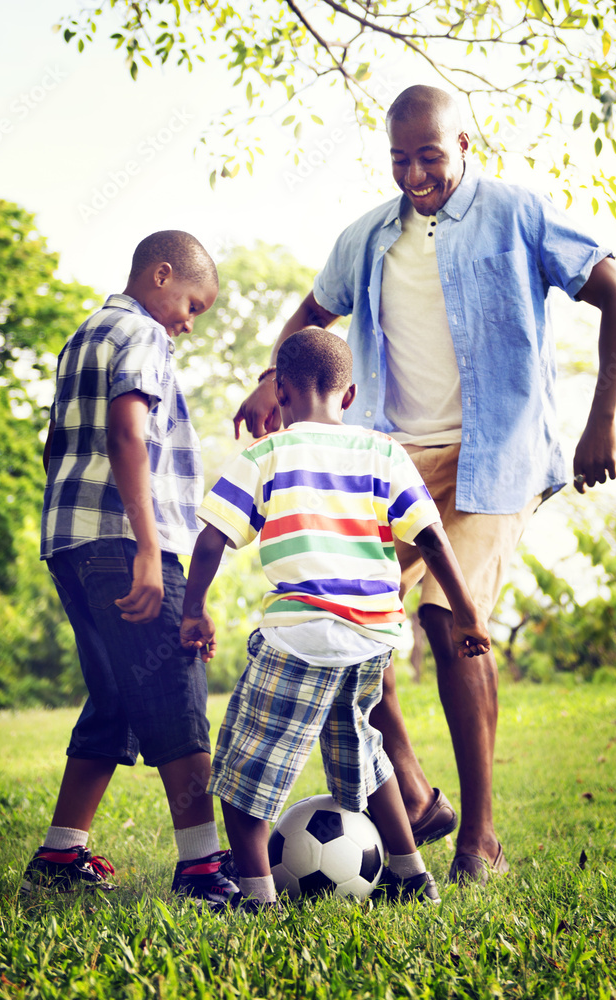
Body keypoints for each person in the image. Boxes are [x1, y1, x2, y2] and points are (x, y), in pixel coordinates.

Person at [233, 86, 616, 884]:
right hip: (390, 457)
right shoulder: (369, 237)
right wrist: (266, 381)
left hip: (496, 453)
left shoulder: (517, 213)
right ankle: (415, 796)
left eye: (430, 155)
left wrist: (604, 420)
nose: (415, 172)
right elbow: (311, 315)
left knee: (449, 618)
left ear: (465, 145)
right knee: (347, 622)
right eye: (399, 158)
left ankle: (479, 835)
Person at [180, 327, 491, 909]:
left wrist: (194, 611)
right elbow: (433, 538)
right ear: (348, 397)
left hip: (301, 635)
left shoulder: (263, 454)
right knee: (364, 754)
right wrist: (467, 614)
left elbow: (211, 539)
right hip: (372, 637)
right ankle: (411, 875)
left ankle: (257, 898)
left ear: (281, 392)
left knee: (241, 773)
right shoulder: (384, 453)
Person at [22, 230, 238, 906]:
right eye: (193, 305)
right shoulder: (143, 335)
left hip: (70, 541)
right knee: (175, 685)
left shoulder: (85, 333)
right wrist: (148, 547)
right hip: (121, 540)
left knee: (116, 694)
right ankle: (203, 869)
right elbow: (126, 432)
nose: (189, 322)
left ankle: (61, 854)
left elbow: (55, 444)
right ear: (162, 275)